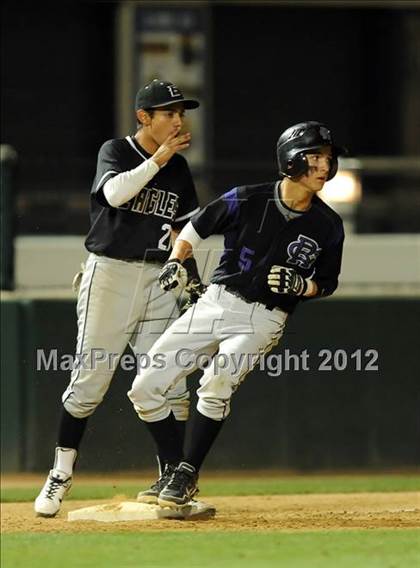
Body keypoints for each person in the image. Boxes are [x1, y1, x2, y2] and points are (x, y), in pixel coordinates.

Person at [128, 121, 346, 507]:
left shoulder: (328, 224)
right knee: (144, 388)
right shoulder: (248, 198)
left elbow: (327, 282)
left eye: (328, 158)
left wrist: (303, 287)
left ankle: (187, 475)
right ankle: (173, 470)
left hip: (265, 318)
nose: (324, 166)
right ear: (290, 159)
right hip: (217, 302)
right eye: (315, 157)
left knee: (216, 383)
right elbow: (197, 225)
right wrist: (177, 259)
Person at [34, 79, 206, 517]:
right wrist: (160, 156)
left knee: (169, 383)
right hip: (110, 274)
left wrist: (193, 280)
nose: (178, 120)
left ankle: (173, 480)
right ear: (143, 117)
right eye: (168, 112)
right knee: (90, 380)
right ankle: (61, 474)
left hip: (157, 279)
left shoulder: (179, 170)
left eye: (180, 113)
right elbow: (114, 194)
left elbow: (183, 233)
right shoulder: (116, 151)